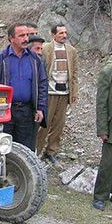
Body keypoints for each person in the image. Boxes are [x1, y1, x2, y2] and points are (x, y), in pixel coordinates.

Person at [0, 23, 48, 151]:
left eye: (27, 35)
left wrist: (40, 108)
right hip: (5, 112)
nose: (26, 39)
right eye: (21, 35)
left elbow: (42, 84)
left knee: (26, 150)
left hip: (27, 112)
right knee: (3, 148)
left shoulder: (35, 59)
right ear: (11, 38)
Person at [36, 24, 79, 163]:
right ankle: (36, 152)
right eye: (61, 33)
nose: (64, 35)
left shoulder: (72, 51)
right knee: (44, 124)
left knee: (59, 124)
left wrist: (74, 92)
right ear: (53, 35)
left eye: (65, 32)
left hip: (64, 92)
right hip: (49, 91)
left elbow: (75, 73)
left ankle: (51, 151)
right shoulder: (46, 48)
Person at [93, 59, 112, 210]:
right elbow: (101, 104)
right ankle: (100, 197)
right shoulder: (109, 72)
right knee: (108, 164)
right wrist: (103, 129)